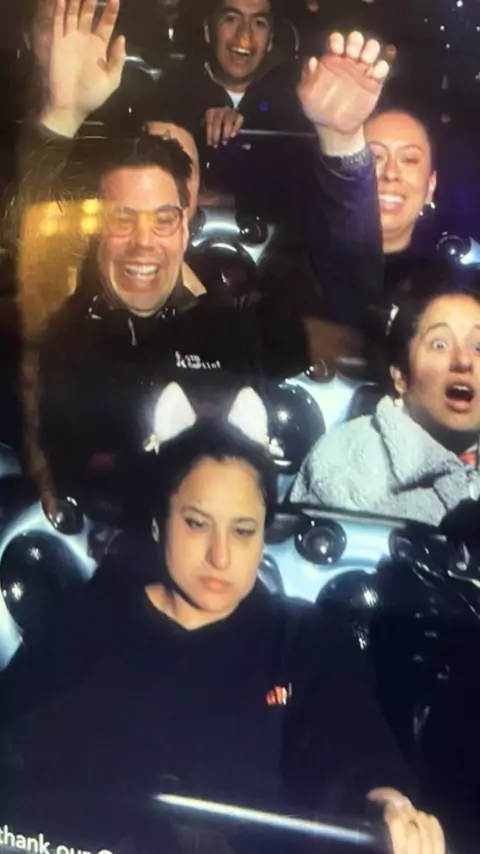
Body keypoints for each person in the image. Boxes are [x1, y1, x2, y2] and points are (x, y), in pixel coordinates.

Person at [0, 383, 445, 854]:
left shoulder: (304, 641)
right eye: (196, 524)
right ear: (159, 523)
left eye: (243, 531)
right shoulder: (88, 621)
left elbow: (353, 747)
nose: (220, 556)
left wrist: (388, 804)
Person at [13, 0, 390, 516]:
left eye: (163, 218)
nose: (143, 241)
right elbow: (21, 246)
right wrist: (61, 117)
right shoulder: (58, 325)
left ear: (187, 222)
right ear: (96, 226)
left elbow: (346, 298)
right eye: (123, 219)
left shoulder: (234, 332)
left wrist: (343, 143)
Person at [291, 263, 480, 527]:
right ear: (400, 376)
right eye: (440, 344)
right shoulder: (342, 461)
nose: (463, 361)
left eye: (478, 347)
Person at [150, 0, 311, 150]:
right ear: (208, 30)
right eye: (232, 19)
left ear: (270, 40)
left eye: (259, 23)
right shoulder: (171, 96)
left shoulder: (295, 103)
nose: (244, 36)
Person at [364, 107, 438, 306]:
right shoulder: (295, 271)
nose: (390, 173)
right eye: (374, 157)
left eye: (409, 160)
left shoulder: (449, 293)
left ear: (430, 187)